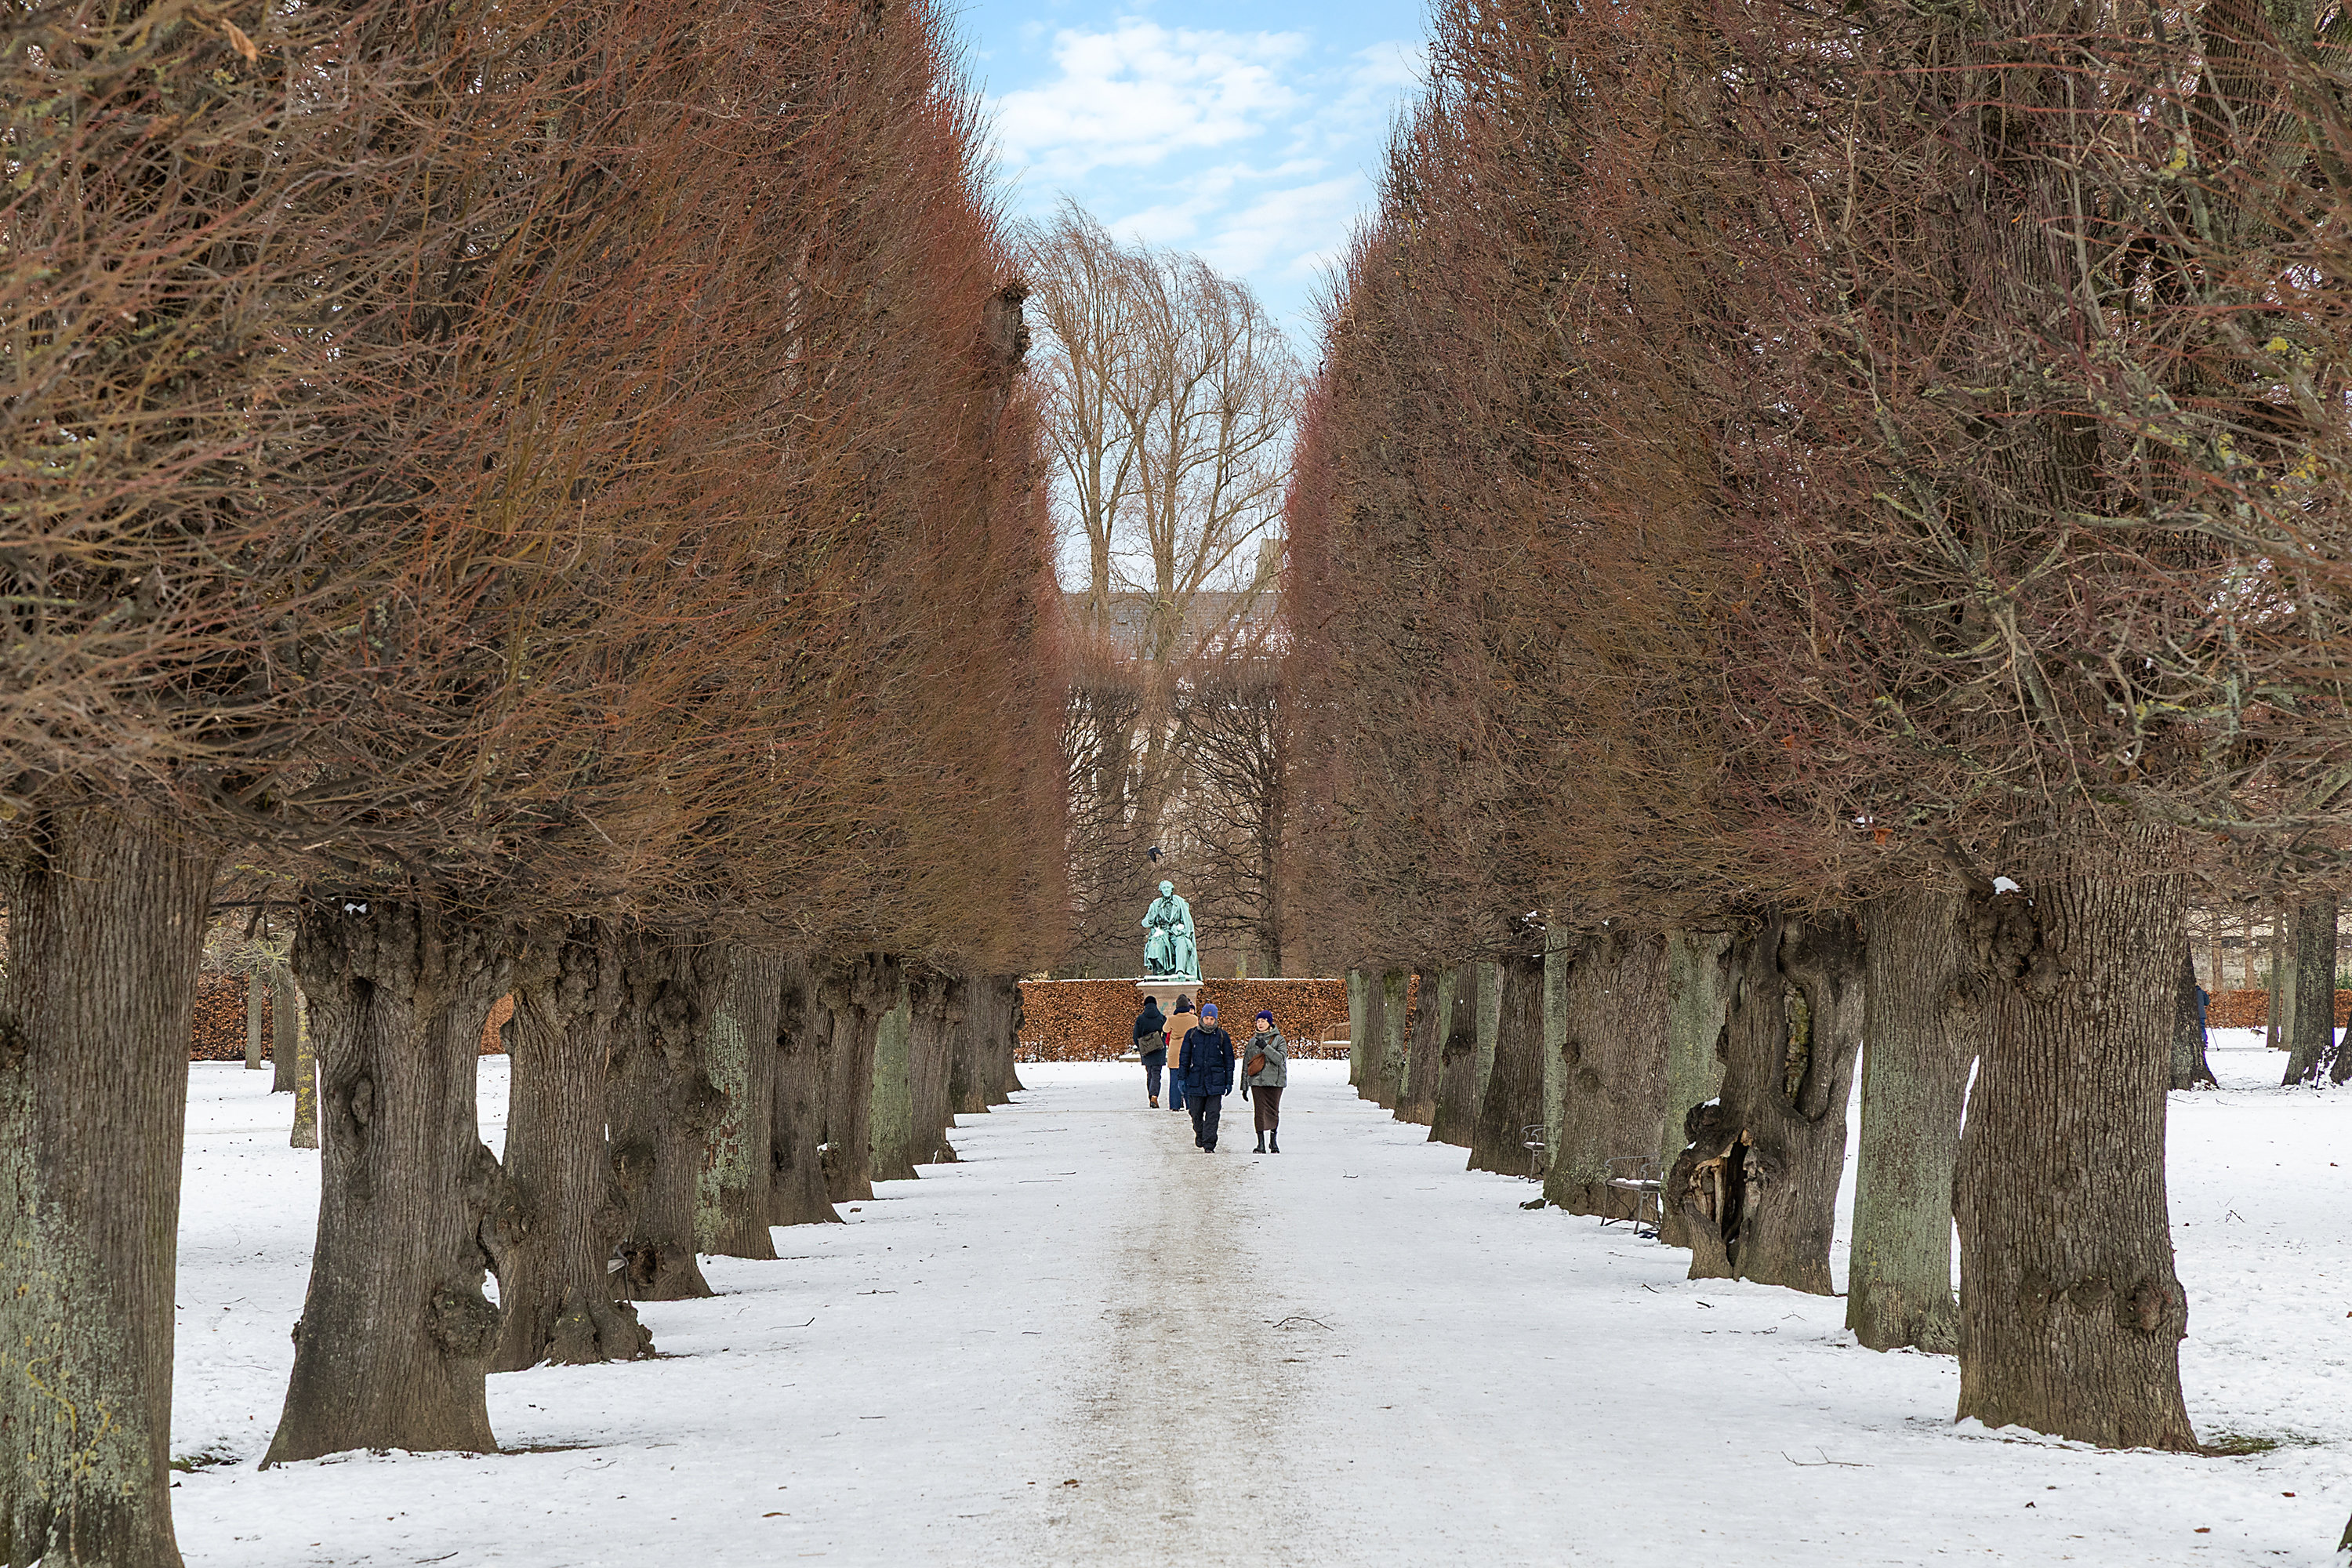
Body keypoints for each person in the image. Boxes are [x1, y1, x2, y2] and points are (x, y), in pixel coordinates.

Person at [1178, 1002, 1236, 1152]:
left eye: (1212, 1019)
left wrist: (1229, 1081)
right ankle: (1201, 1134)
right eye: (1207, 1018)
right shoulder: (1192, 1034)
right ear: (1201, 1018)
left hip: (1216, 1081)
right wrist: (1182, 1078)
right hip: (1196, 1080)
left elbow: (1229, 1060)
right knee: (1195, 1113)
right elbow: (1184, 1057)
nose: (1209, 1022)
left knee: (1213, 1114)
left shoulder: (1222, 1036)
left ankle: (1209, 1143)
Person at [1243, 1009, 1288, 1154]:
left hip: (1275, 1082)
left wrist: (1265, 1047)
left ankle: (1273, 1141)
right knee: (1259, 1112)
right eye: (1258, 1021)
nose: (1260, 1024)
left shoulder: (1279, 1040)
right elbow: (1246, 1064)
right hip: (1257, 1082)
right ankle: (1260, 1143)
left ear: (1270, 1023)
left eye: (1263, 1021)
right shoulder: (1252, 1042)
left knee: (1273, 1111)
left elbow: (1280, 1059)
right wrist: (1244, 1085)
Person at [1134, 997, 1168, 1108]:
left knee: (1149, 1073)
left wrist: (1141, 1046)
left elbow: (1135, 1036)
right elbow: (1167, 1033)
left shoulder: (1140, 1019)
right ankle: (1154, 1096)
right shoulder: (1161, 1018)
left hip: (1146, 1049)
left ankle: (1151, 1096)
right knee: (1157, 1073)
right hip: (1159, 1049)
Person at [1165, 995, 1196, 1114]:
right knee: (1189, 1078)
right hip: (1188, 1049)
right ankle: (1190, 1103)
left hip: (1174, 1050)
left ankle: (1175, 1104)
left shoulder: (1172, 1019)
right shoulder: (1193, 1019)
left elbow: (1165, 1029)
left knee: (1174, 1079)